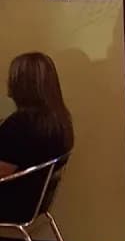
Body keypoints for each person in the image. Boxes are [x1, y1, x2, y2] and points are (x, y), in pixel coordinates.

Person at [0, 52, 73, 223]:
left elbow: (2, 171)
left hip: (12, 203)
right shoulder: (58, 120)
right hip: (34, 202)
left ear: (21, 84)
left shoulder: (20, 125)